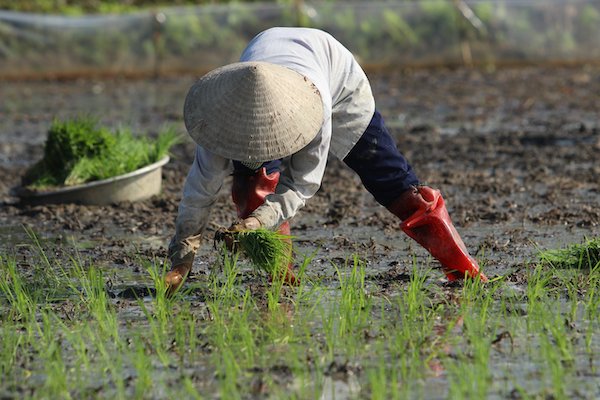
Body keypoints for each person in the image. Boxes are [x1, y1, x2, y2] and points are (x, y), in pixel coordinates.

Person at [165, 27, 487, 292]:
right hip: (263, 76)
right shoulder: (222, 124)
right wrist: (181, 260)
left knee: (395, 186)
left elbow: (303, 183)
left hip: (336, 80)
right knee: (253, 184)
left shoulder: (314, 108)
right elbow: (198, 194)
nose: (264, 146)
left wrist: (261, 220)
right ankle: (281, 280)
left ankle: (465, 272)